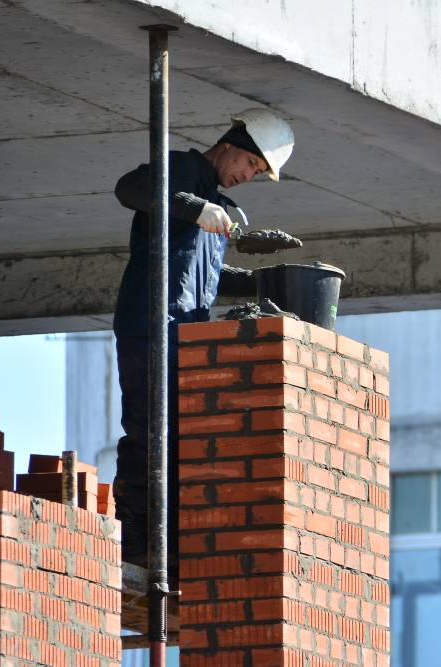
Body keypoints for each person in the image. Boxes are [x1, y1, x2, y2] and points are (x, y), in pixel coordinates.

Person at [111, 108, 295, 566]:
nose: (247, 177)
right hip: (149, 322)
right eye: (250, 165)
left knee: (181, 434)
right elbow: (128, 188)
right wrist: (197, 208)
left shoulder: (220, 205)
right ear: (232, 144)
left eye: (256, 173)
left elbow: (207, 277)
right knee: (149, 427)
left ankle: (170, 542)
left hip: (185, 334)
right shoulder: (184, 171)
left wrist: (270, 282)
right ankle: (136, 539)